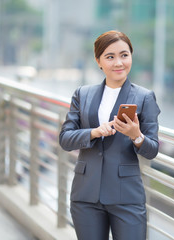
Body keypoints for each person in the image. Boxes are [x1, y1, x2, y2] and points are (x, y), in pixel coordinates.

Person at [59, 30, 161, 240]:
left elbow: (152, 150)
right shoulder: (82, 94)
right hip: (86, 194)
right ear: (98, 61)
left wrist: (136, 135)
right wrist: (94, 132)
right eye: (110, 56)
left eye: (124, 55)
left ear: (131, 56)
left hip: (127, 197)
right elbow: (65, 139)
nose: (118, 63)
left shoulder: (144, 97)